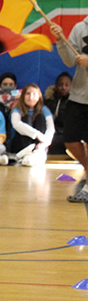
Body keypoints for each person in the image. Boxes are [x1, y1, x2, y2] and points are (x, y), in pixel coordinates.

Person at [50, 17, 88, 202]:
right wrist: (60, 40)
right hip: (79, 96)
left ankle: (87, 189)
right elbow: (69, 61)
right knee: (71, 140)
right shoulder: (81, 28)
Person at [9, 83, 55, 167]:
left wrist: (45, 142)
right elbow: (17, 124)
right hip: (21, 144)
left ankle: (36, 153)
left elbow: (50, 127)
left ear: (39, 96)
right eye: (28, 94)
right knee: (27, 117)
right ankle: (26, 153)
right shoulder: (17, 109)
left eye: (34, 94)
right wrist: (36, 134)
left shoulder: (44, 110)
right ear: (23, 96)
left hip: (39, 145)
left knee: (40, 117)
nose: (30, 97)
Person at [44, 71, 71, 156]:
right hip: (51, 132)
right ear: (56, 86)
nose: (63, 87)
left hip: (68, 132)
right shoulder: (48, 101)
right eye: (60, 85)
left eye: (67, 85)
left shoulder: (75, 103)